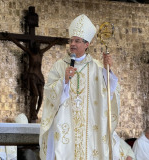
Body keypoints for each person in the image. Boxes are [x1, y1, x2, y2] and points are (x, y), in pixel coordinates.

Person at [39, 14, 120, 160]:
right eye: (71, 40)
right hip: (65, 125)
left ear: (86, 44)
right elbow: (49, 92)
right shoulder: (59, 65)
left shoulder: (97, 67)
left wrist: (108, 70)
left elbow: (110, 93)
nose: (73, 44)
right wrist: (64, 81)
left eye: (77, 41)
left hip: (91, 127)